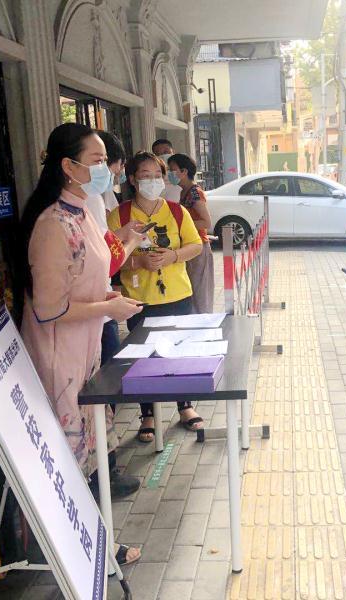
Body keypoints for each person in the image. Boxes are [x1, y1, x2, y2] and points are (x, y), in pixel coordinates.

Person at [17, 123, 146, 565]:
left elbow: (88, 280)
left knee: (87, 456)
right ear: (67, 166)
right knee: (68, 463)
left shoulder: (83, 212)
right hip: (60, 360)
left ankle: (96, 545)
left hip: (85, 352)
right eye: (95, 161)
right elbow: (49, 310)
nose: (105, 170)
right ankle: (88, 552)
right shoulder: (52, 224)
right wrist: (107, 310)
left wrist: (108, 297)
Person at [107, 151, 205, 443]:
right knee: (144, 359)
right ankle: (147, 413)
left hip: (177, 294)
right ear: (133, 179)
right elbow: (107, 258)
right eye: (145, 175)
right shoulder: (120, 215)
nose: (152, 180)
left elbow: (196, 245)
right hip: (139, 298)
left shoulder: (176, 211)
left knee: (179, 353)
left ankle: (185, 406)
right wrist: (137, 262)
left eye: (157, 175)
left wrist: (173, 255)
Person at [92, 130, 128, 366]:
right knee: (107, 378)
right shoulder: (88, 198)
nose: (110, 171)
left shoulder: (91, 196)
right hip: (95, 307)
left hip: (101, 301)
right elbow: (105, 253)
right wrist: (131, 240)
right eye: (99, 161)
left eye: (105, 161)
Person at [168, 153, 214, 314]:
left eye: (172, 170)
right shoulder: (183, 192)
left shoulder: (195, 193)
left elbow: (206, 222)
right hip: (188, 247)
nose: (169, 174)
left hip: (198, 246)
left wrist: (182, 226)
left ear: (184, 171)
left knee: (200, 293)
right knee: (191, 290)